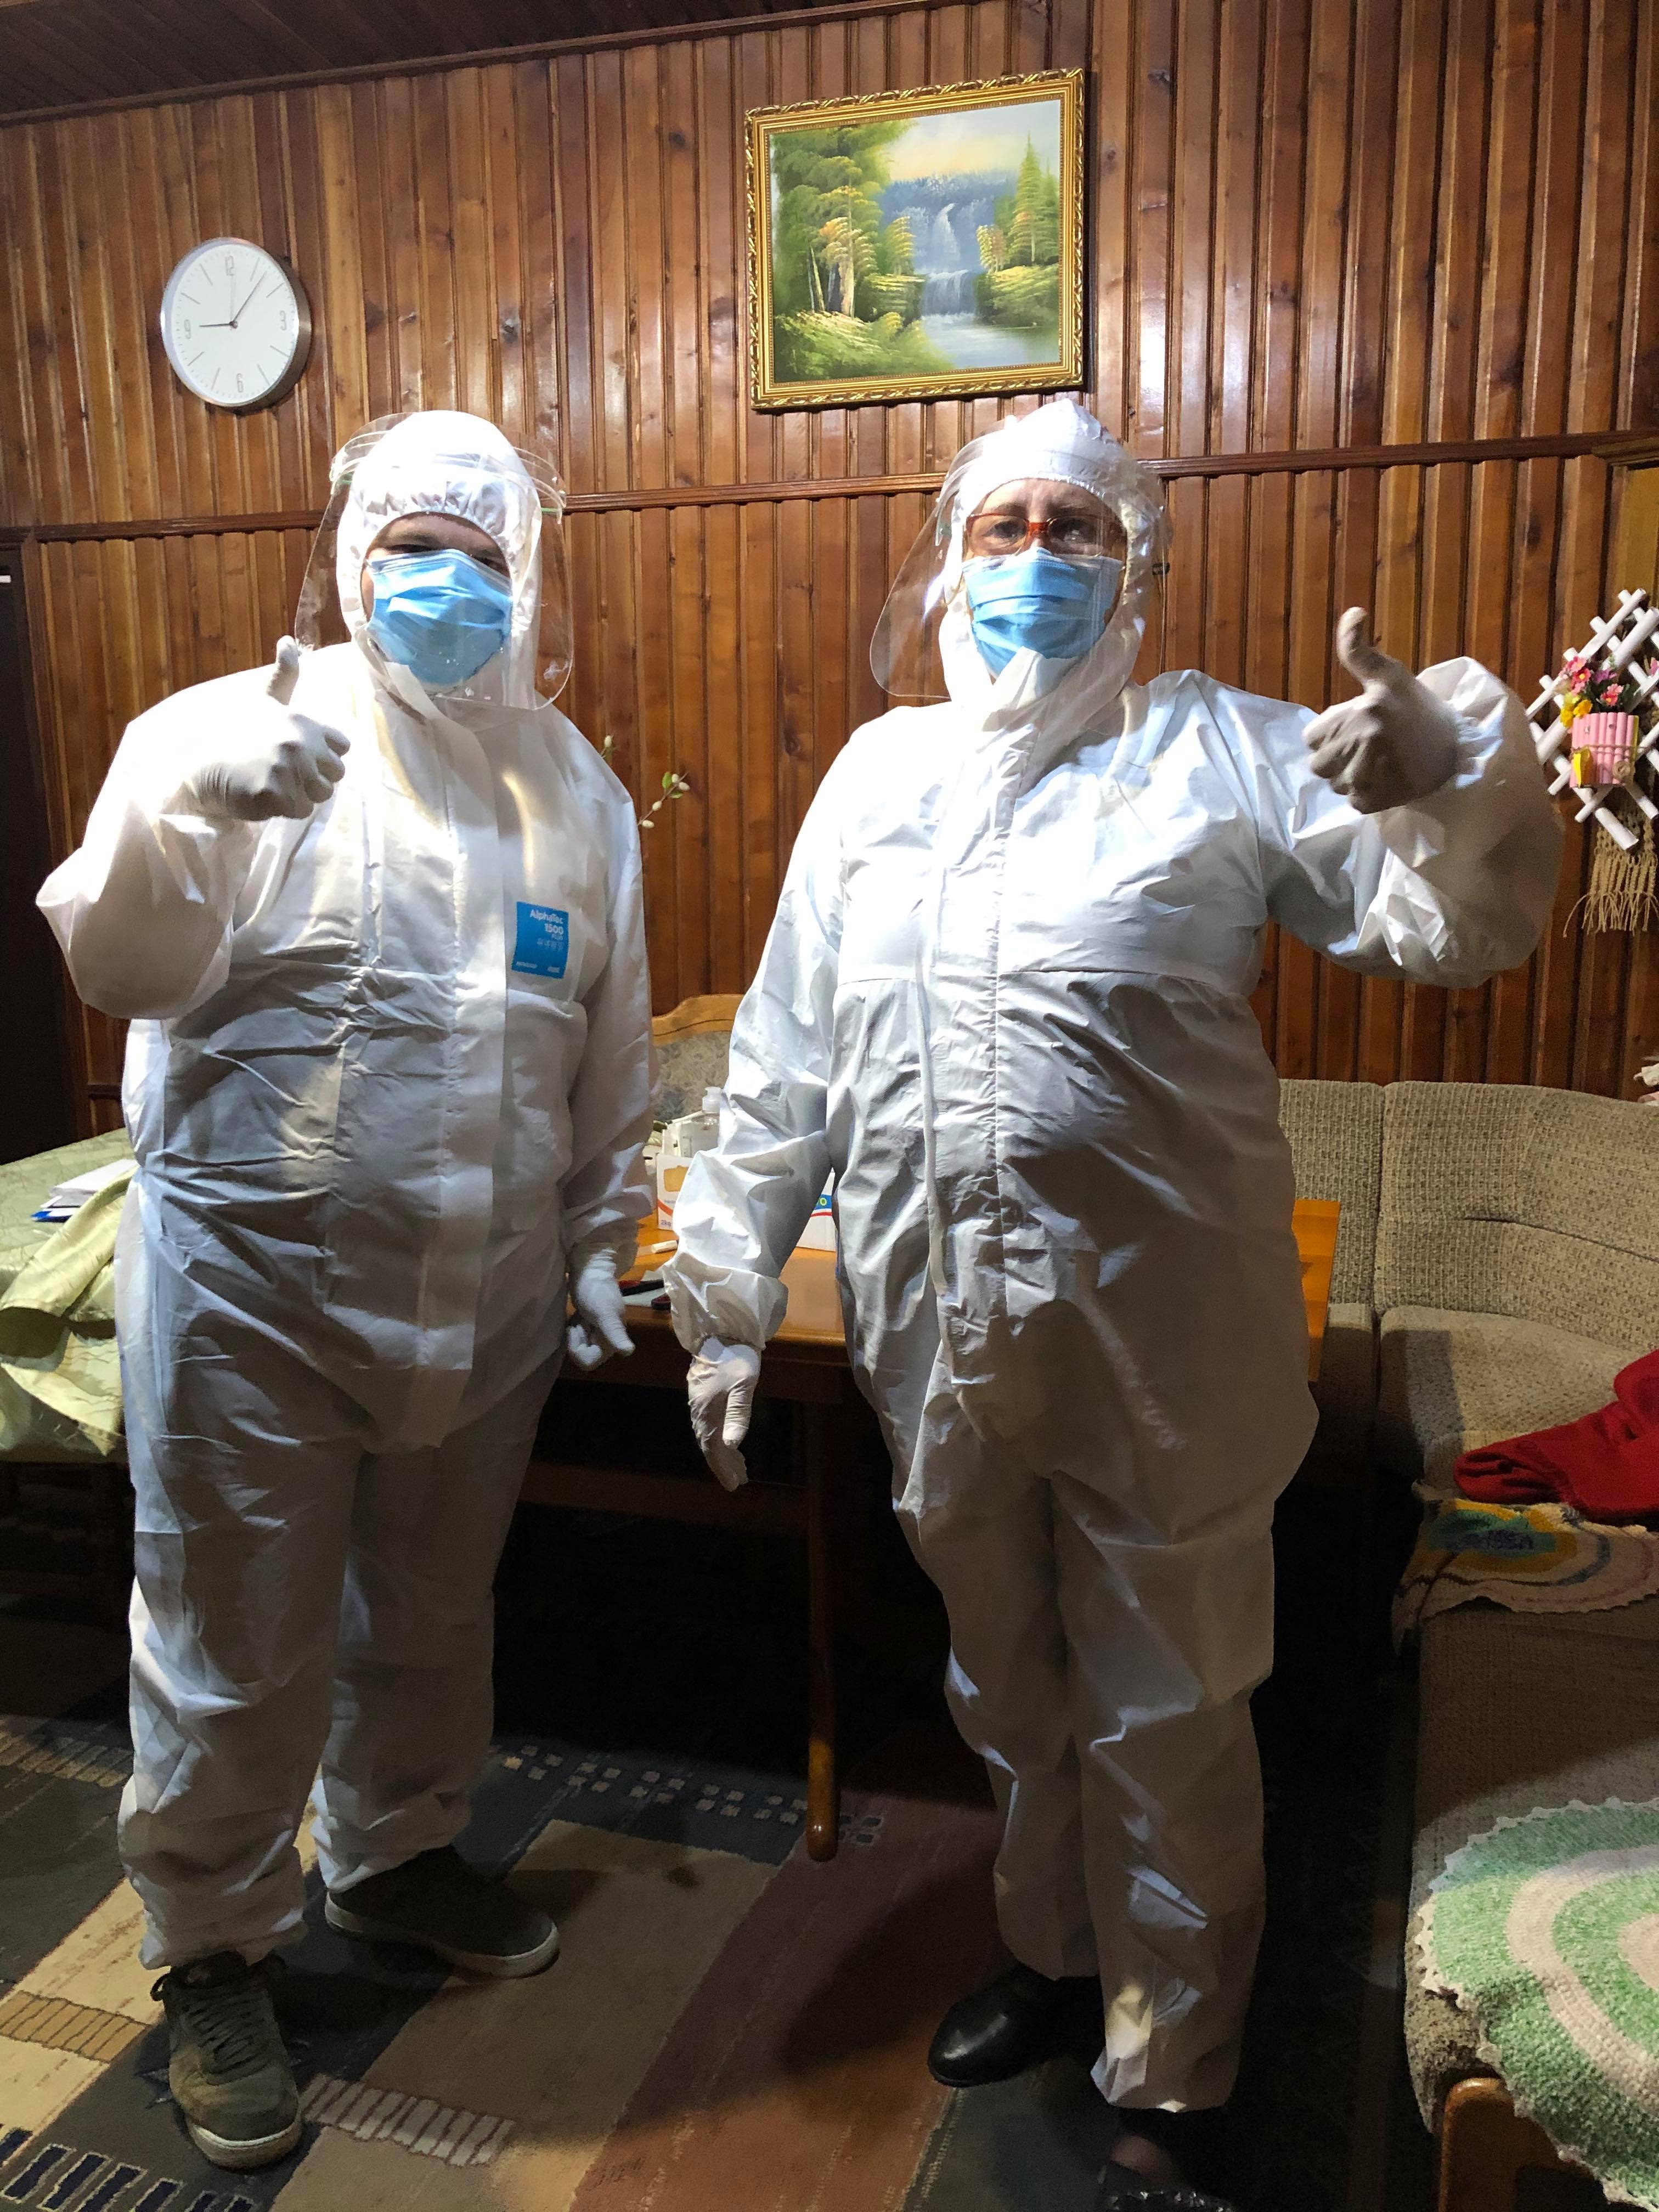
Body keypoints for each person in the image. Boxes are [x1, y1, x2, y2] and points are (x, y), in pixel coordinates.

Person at [663, 399, 1561, 2209]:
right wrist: (729, 1287)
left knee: (1167, 1711)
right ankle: (1055, 1958)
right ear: (949, 562)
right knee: (1006, 1682)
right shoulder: (879, 780)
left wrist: (1450, 776)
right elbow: (786, 1057)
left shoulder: (1224, 750)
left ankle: (1181, 2068)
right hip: (934, 1332)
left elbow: (1453, 929)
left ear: (1131, 564)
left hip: (1163, 1349)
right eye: (1004, 528)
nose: (1037, 560)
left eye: (1075, 528)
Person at [38, 410, 652, 2174]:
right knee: (233, 1639)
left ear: (528, 572)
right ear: (348, 561)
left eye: (480, 551)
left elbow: (604, 1041)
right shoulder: (230, 730)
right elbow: (118, 964)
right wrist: (180, 810)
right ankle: (213, 1950)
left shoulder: (573, 788)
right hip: (254, 1299)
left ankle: (393, 1857)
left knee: (433, 1611)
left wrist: (602, 1226)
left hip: (488, 1296)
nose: (443, 581)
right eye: (408, 548)